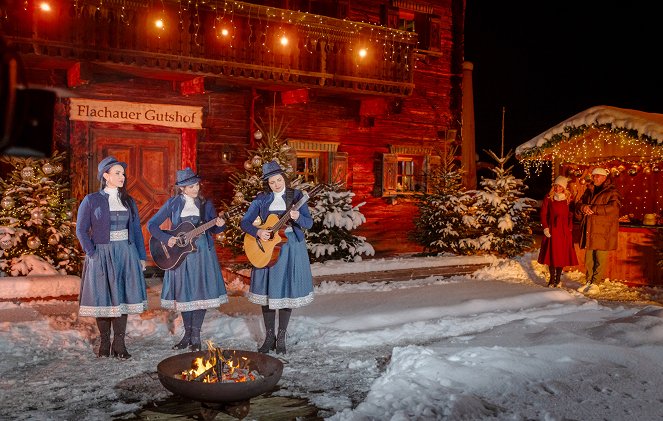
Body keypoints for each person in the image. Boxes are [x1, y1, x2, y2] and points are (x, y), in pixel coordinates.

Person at [147, 167, 228, 351]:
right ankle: (187, 335)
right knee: (185, 294)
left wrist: (220, 225)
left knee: (200, 293)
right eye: (191, 186)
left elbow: (213, 229)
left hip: (202, 255)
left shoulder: (205, 204)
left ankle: (196, 336)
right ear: (182, 188)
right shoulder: (173, 203)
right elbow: (152, 225)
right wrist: (168, 239)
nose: (195, 189)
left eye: (196, 185)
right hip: (180, 255)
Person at [76, 156, 147, 359]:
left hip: (125, 253)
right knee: (103, 298)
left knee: (122, 297)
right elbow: (81, 230)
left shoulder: (128, 201)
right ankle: (105, 341)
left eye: (123, 173)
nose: (122, 176)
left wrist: (141, 256)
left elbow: (136, 230)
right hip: (101, 254)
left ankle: (120, 343)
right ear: (105, 176)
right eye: (117, 173)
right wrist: (92, 253)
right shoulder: (91, 200)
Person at [240, 160, 314, 354]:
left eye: (279, 180)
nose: (276, 185)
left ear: (284, 178)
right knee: (267, 293)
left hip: (290, 248)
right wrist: (258, 232)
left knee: (285, 291)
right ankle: (269, 336)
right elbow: (245, 222)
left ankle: (281, 336)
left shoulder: (297, 196)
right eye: (272, 182)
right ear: (267, 184)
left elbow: (309, 223)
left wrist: (298, 217)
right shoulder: (261, 200)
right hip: (267, 249)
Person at [575, 167, 622, 292]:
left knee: (600, 258)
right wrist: (583, 207)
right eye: (594, 176)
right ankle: (589, 281)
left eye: (597, 176)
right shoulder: (589, 190)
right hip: (590, 229)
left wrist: (593, 209)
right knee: (589, 258)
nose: (595, 178)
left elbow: (614, 208)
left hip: (603, 230)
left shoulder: (612, 192)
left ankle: (595, 283)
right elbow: (578, 204)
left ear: (604, 177)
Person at [537, 176, 579, 287]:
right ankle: (551, 279)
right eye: (556, 185)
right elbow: (543, 214)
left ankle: (558, 280)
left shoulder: (569, 199)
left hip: (564, 231)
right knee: (552, 255)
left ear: (564, 188)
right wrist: (545, 227)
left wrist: (570, 227)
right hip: (552, 230)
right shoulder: (549, 198)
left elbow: (571, 215)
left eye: (560, 186)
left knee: (561, 255)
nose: (557, 188)